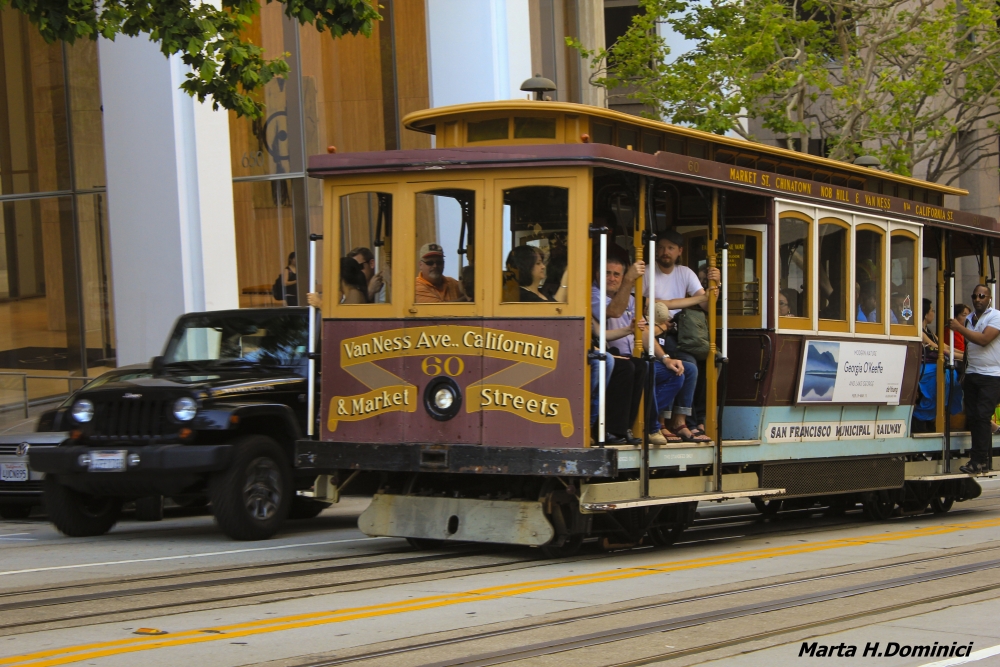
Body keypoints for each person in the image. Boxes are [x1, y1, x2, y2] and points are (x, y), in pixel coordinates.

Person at [591, 255, 651, 445]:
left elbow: (641, 329)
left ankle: (625, 427)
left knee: (642, 365)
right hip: (599, 352)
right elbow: (614, 311)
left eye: (617, 274)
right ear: (597, 275)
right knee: (625, 368)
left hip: (621, 352)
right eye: (608, 273)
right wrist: (628, 280)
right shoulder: (593, 294)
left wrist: (665, 357)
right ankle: (610, 430)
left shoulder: (631, 299)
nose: (612, 278)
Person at [950, 285, 1000, 474]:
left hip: (992, 376)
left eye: (982, 296)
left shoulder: (995, 316)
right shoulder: (970, 319)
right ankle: (981, 460)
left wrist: (959, 328)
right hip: (973, 374)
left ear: (989, 298)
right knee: (974, 418)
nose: (978, 299)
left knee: (982, 416)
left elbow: (983, 340)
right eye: (975, 296)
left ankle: (978, 460)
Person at [644, 303, 706, 442]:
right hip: (645, 358)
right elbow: (642, 331)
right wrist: (662, 327)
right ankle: (661, 422)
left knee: (689, 369)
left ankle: (679, 421)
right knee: (671, 371)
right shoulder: (639, 308)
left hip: (661, 354)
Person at [912, 299, 962, 433]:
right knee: (946, 374)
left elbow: (945, 346)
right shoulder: (919, 331)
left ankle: (940, 409)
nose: (933, 313)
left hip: (934, 366)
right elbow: (938, 349)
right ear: (925, 314)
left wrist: (964, 353)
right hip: (925, 367)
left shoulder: (929, 331)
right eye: (932, 310)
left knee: (952, 375)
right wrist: (962, 356)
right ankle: (925, 413)